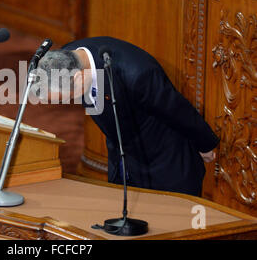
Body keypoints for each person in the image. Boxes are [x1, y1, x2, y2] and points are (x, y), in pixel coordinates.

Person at [34, 36, 219, 196]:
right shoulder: (67, 56)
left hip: (163, 160)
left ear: (78, 79)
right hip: (122, 155)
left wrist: (205, 144)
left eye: (62, 99)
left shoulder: (137, 73)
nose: (64, 103)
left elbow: (176, 110)